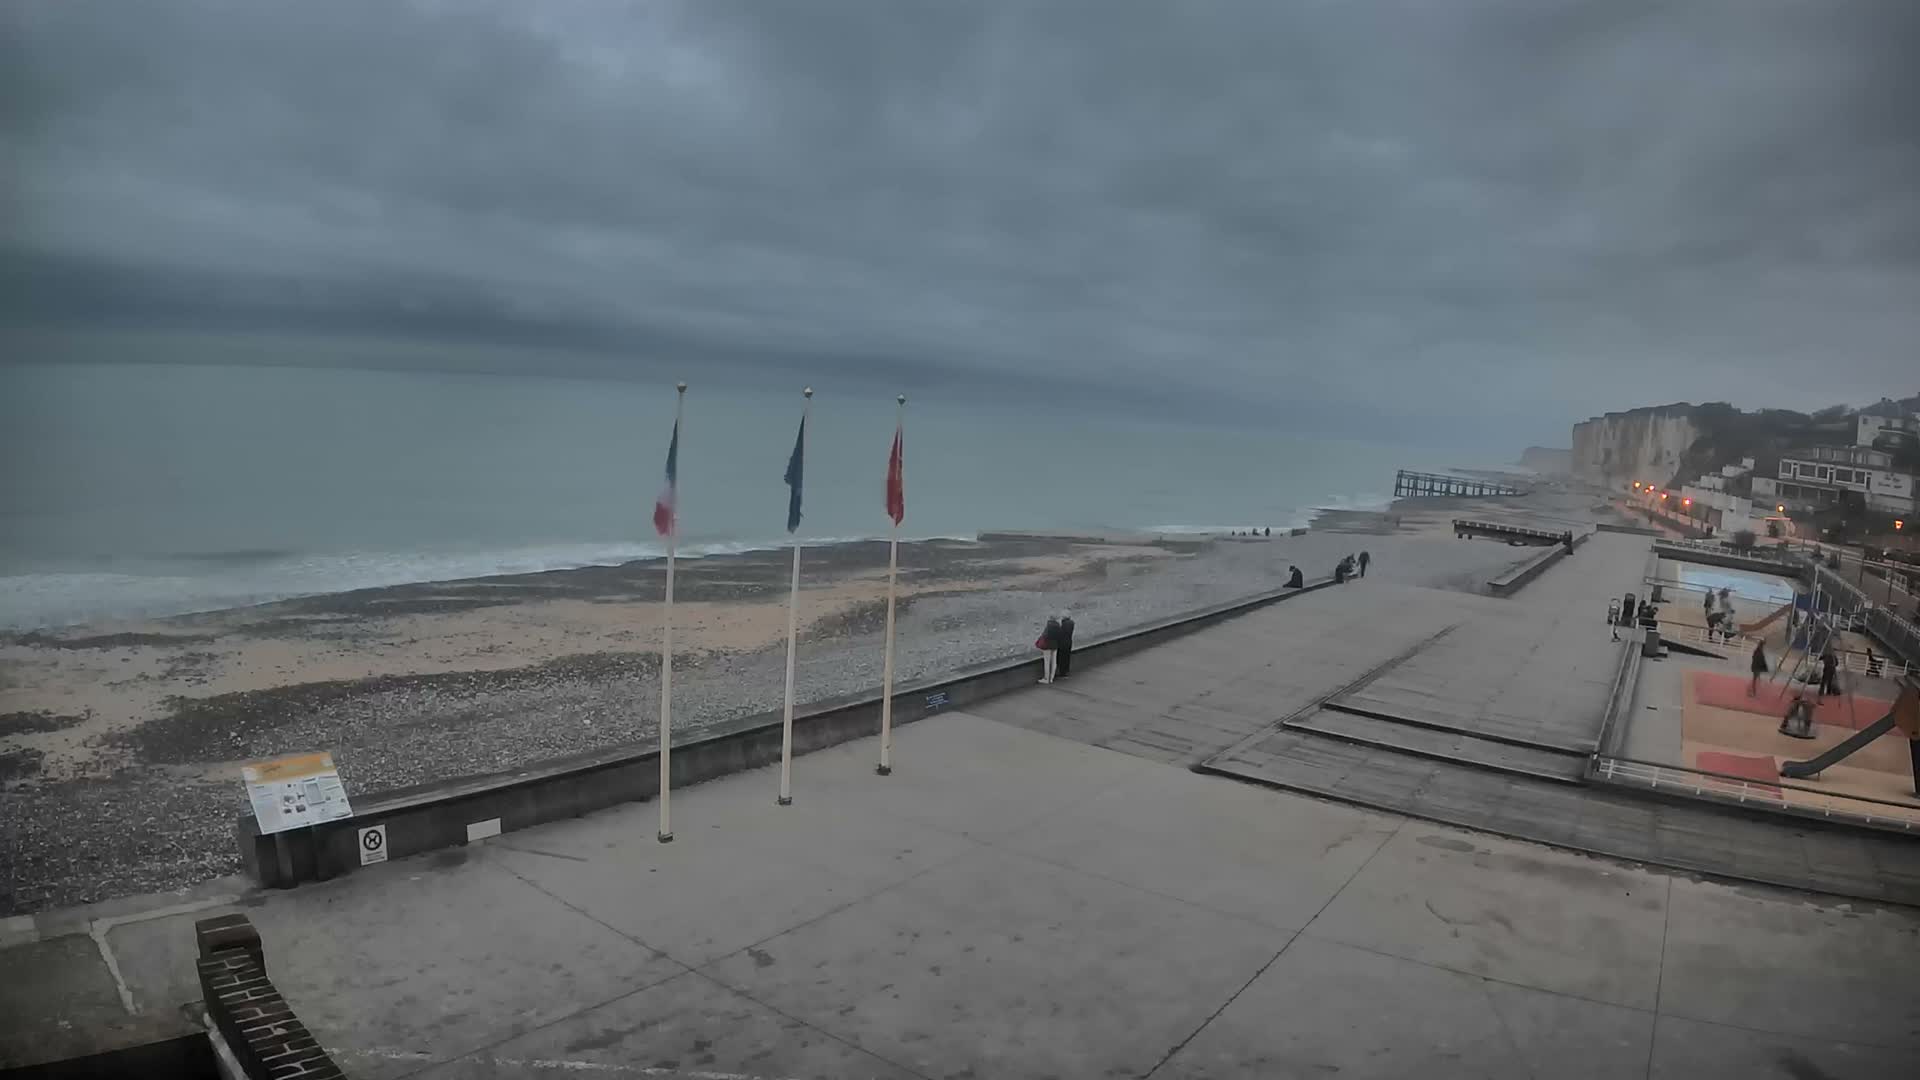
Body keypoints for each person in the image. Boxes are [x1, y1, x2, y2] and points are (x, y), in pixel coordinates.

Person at [1036, 616, 1060, 684]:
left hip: (1047, 646)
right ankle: (1052, 678)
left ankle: (1046, 678)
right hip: (1055, 645)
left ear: (1050, 618)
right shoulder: (1058, 625)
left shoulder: (1049, 625)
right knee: (1054, 662)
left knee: (1047, 662)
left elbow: (1045, 635)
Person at [1056, 612, 1076, 679]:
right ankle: (1066, 671)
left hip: (1062, 644)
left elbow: (1060, 634)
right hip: (1069, 642)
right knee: (1067, 657)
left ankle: (1062, 673)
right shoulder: (1071, 623)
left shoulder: (1064, 624)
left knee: (1061, 658)